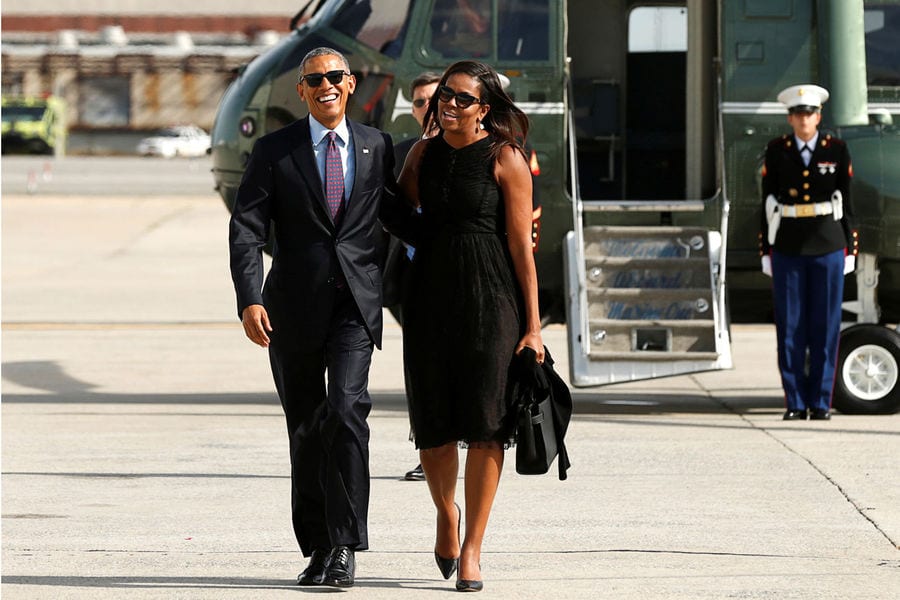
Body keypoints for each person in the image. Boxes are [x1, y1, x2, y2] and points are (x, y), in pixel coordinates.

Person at [228, 47, 411, 588]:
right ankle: (318, 545)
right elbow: (246, 230)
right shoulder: (274, 150)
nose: (326, 85)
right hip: (292, 308)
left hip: (355, 306)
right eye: (315, 80)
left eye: (335, 76)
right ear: (302, 90)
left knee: (348, 411)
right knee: (307, 429)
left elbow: (397, 215)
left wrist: (469, 235)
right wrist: (249, 298)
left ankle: (346, 545)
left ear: (350, 83)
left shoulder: (377, 146)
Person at [397, 60, 544, 592]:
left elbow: (521, 248)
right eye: (445, 96)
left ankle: (473, 548)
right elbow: (398, 214)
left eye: (463, 98)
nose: (450, 105)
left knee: (486, 425)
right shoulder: (422, 155)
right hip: (430, 298)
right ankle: (446, 512)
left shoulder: (506, 158)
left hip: (492, 299)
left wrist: (533, 327)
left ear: (484, 108)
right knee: (433, 424)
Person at [758, 84, 858, 421]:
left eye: (810, 113)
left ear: (819, 116)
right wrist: (766, 250)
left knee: (825, 326)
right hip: (788, 245)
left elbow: (847, 201)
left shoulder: (836, 150)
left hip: (828, 243)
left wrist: (851, 248)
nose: (804, 119)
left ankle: (820, 402)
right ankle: (795, 402)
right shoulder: (777, 151)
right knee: (790, 327)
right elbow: (766, 201)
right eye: (798, 114)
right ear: (790, 118)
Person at [386, 71, 442, 483]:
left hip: (465, 275)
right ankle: (431, 452)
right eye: (420, 102)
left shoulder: (479, 149)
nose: (428, 108)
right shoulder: (402, 154)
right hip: (415, 278)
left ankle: (473, 447)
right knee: (423, 371)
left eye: (434, 99)